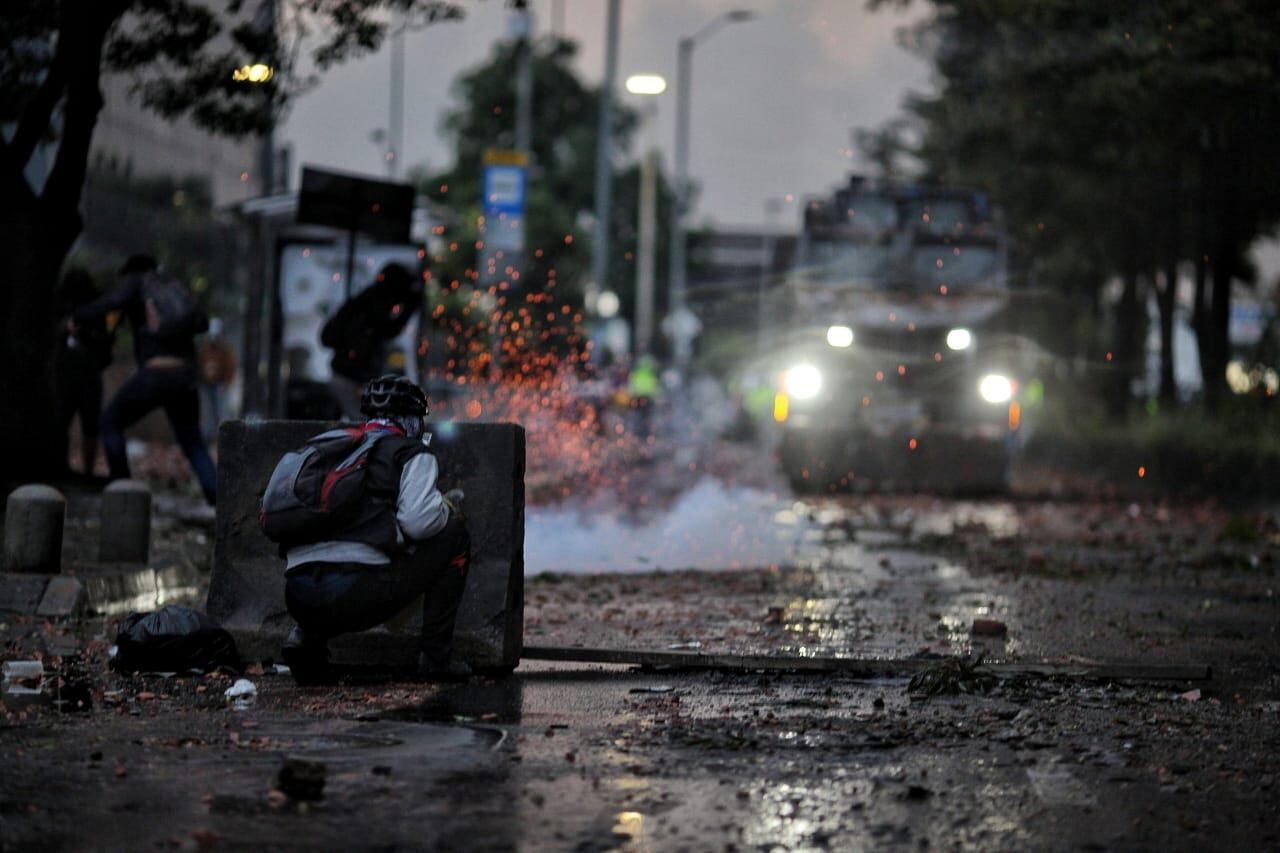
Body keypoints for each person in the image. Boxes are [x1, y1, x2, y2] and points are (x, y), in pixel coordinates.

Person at [279, 374, 472, 684]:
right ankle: (436, 658)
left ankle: (304, 640)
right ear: (410, 420)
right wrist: (445, 508)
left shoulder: (330, 447)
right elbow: (420, 523)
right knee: (454, 534)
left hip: (298, 594)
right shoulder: (410, 452)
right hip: (357, 596)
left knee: (332, 555)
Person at [73, 254, 217, 504]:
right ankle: (218, 499)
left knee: (109, 422)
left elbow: (109, 303)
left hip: (156, 372)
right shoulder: (173, 286)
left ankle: (122, 492)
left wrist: (76, 314)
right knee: (192, 442)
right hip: (185, 376)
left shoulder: (138, 282)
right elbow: (202, 321)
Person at [321, 263, 423, 418]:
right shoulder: (368, 308)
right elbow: (388, 330)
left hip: (352, 379)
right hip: (349, 379)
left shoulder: (365, 303)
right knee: (365, 425)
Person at [56, 267, 115, 476]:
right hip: (72, 375)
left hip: (85, 375)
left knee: (87, 424)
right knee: (68, 422)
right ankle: (70, 467)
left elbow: (104, 344)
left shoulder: (94, 312)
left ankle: (86, 469)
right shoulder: (64, 309)